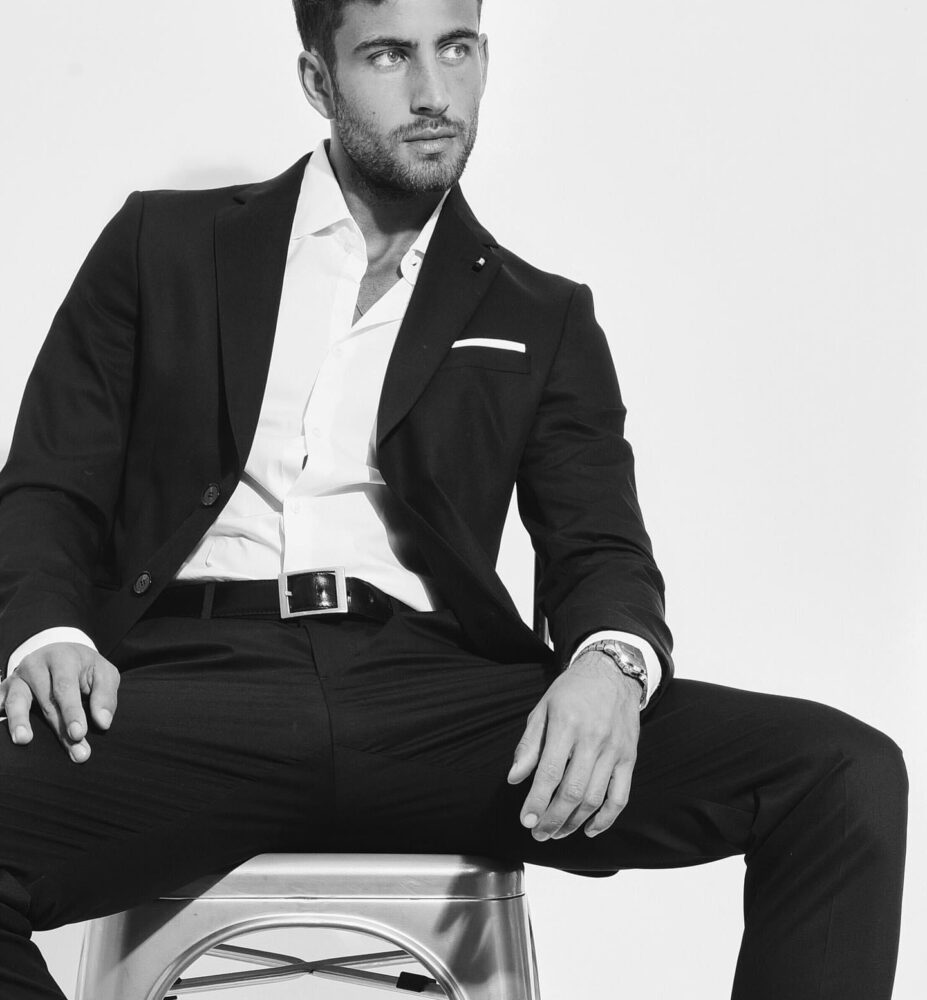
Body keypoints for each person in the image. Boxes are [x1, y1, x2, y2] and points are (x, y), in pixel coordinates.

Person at [0, 1, 908, 997]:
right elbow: (50, 481)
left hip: (439, 706)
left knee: (839, 773)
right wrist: (49, 631)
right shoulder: (163, 244)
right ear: (318, 79)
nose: (434, 92)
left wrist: (611, 663)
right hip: (195, 688)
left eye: (456, 48)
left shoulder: (539, 313)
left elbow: (600, 546)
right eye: (390, 55)